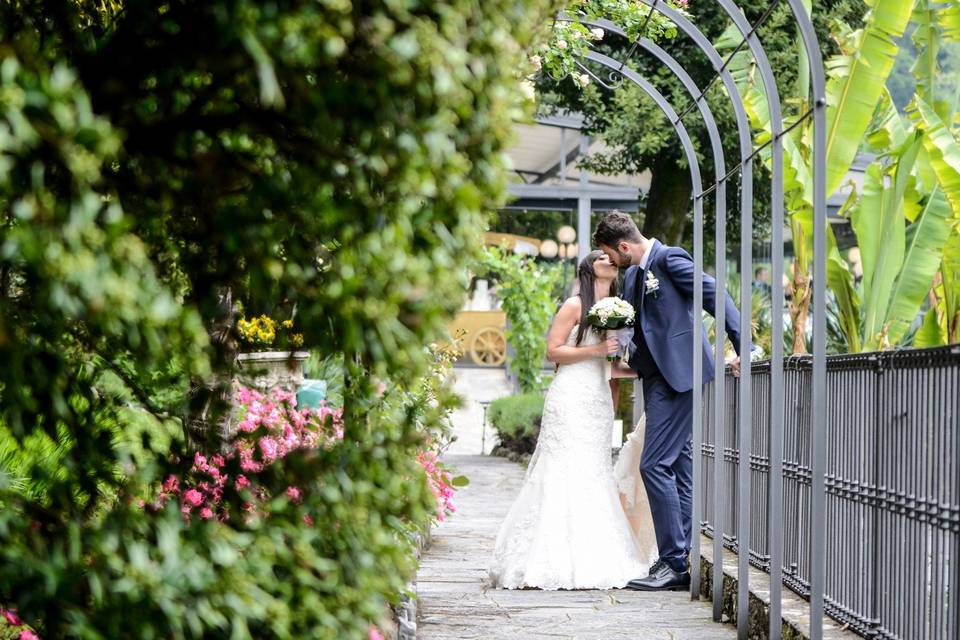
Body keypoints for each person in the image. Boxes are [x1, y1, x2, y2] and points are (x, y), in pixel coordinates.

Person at [488, 250, 657, 590]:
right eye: (601, 259)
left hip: (597, 399)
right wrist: (598, 349)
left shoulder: (620, 308)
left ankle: (593, 553)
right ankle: (546, 558)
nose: (610, 261)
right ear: (588, 269)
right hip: (570, 396)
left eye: (612, 259)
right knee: (562, 468)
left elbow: (610, 365)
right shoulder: (574, 305)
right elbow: (553, 351)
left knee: (593, 471)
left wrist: (648, 371)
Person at [593, 211, 743, 592]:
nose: (610, 261)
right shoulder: (631, 275)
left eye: (611, 254)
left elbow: (715, 294)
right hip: (656, 378)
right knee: (678, 463)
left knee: (654, 464)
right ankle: (684, 555)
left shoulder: (669, 258)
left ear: (624, 246)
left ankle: (674, 561)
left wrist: (745, 346)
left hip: (681, 376)